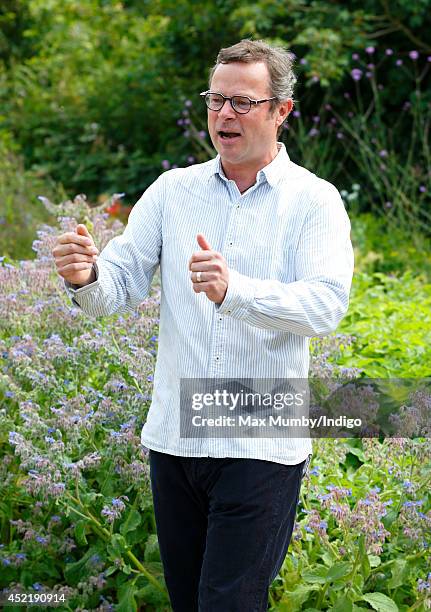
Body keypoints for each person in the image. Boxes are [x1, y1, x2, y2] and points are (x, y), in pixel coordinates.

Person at [52, 39, 354, 612]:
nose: (223, 116)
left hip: (260, 443)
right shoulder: (173, 191)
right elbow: (114, 289)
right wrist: (83, 276)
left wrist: (232, 290)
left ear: (280, 111)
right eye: (216, 100)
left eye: (242, 103)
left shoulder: (315, 201)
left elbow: (324, 305)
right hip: (174, 440)